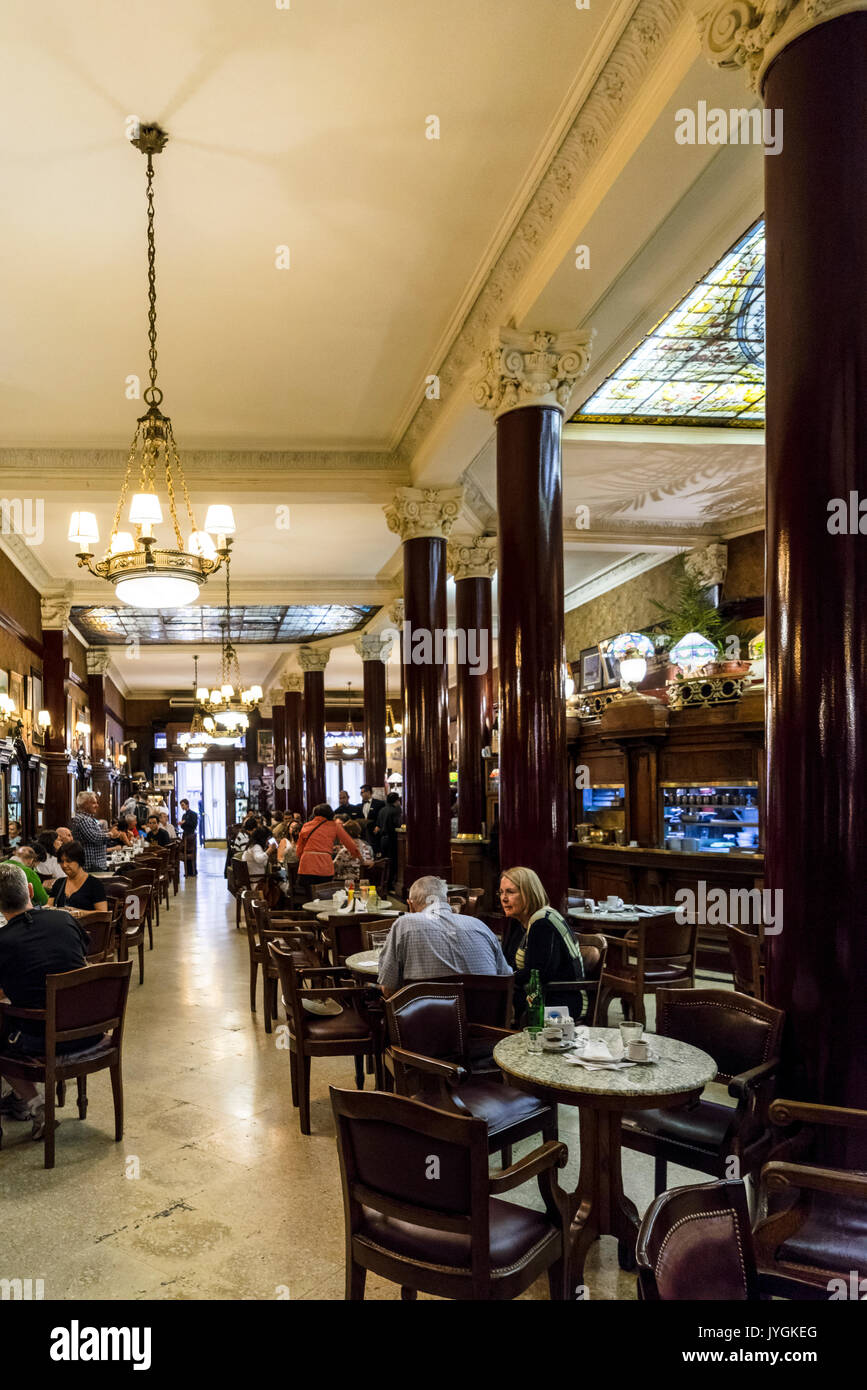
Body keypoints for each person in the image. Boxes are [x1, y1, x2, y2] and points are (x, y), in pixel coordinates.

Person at [0, 863, 97, 1139]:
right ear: (31, 890)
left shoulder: (4, 941)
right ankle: (20, 1101)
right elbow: (83, 960)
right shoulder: (64, 920)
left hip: (44, 1040)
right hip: (92, 1026)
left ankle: (36, 1106)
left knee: (3, 1036)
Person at [377, 876, 511, 996]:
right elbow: (506, 977)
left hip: (425, 1021)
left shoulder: (404, 924)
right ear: (447, 900)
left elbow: (389, 990)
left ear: (410, 905)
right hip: (485, 1020)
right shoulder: (480, 926)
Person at [499, 866, 598, 1023]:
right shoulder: (520, 922)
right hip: (538, 994)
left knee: (490, 1005)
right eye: (501, 892)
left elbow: (538, 974)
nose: (504, 898)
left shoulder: (543, 923)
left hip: (562, 1000)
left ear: (528, 893)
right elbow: (507, 961)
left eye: (510, 892)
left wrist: (506, 978)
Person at [296, 804, 360, 897]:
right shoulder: (334, 826)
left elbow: (299, 848)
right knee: (324, 895)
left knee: (310, 896)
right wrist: (360, 858)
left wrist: (302, 859)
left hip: (306, 865)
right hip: (324, 865)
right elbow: (350, 844)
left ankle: (311, 910)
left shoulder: (306, 825)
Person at [48, 840, 108, 914]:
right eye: (61, 861)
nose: (64, 865)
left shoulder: (94, 884)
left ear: (79, 860)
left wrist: (79, 912)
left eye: (68, 861)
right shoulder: (59, 883)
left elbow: (103, 913)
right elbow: (49, 906)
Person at [70, 791, 111, 871]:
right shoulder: (83, 819)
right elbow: (94, 837)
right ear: (85, 804)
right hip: (91, 865)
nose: (97, 805)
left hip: (95, 863)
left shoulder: (87, 818)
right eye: (94, 803)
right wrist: (110, 835)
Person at [375, 791, 402, 892]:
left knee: (385, 862)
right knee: (393, 862)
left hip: (383, 839)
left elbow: (378, 825)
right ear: (396, 801)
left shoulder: (382, 810)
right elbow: (397, 825)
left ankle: (383, 883)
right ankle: (390, 884)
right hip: (392, 839)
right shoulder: (396, 811)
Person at [179, 798, 198, 876]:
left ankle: (193, 871)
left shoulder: (193, 814)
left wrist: (185, 822)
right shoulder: (184, 815)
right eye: (181, 805)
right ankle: (187, 871)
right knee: (185, 852)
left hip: (191, 836)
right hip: (185, 835)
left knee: (192, 853)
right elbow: (183, 827)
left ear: (187, 804)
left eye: (183, 805)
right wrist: (183, 823)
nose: (182, 807)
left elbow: (194, 825)